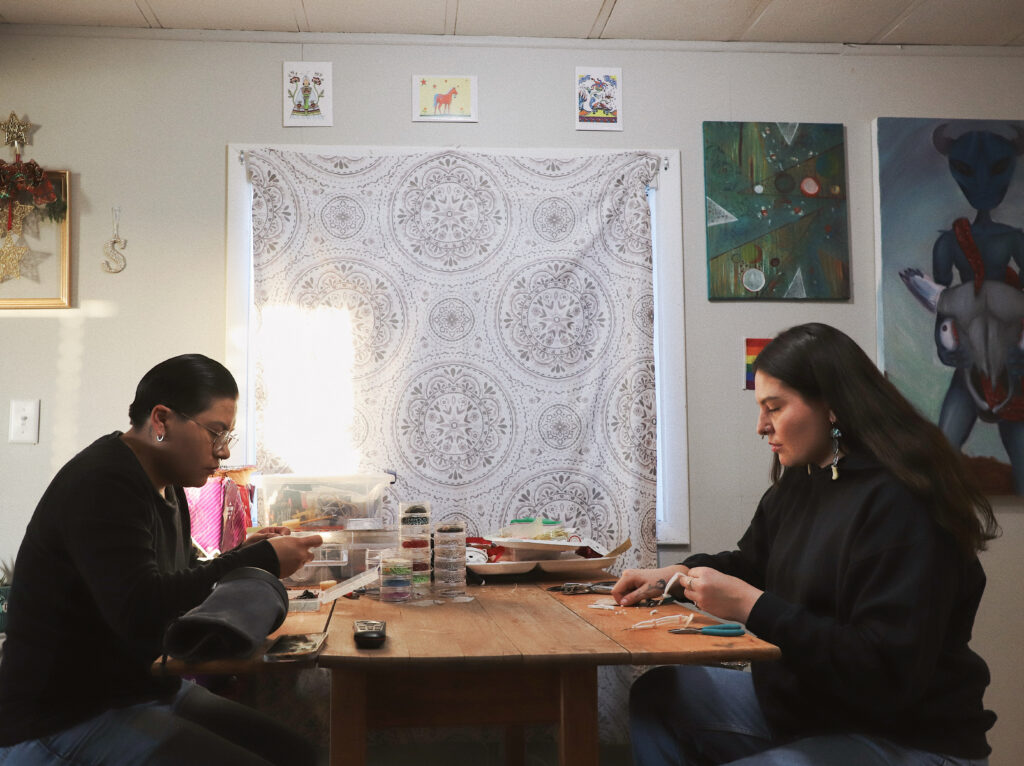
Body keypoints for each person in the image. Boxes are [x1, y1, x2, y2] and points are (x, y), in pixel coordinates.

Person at [614, 323, 999, 766]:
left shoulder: (902, 504)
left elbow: (882, 670)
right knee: (660, 693)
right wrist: (675, 577)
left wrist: (752, 607)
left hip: (908, 736)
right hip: (815, 713)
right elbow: (754, 564)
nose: (761, 426)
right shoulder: (806, 477)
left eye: (774, 408)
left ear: (832, 406)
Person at [0, 354, 324, 765]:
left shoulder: (166, 486)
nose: (223, 452)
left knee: (295, 753)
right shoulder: (102, 482)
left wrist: (242, 553)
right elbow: (141, 609)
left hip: (138, 690)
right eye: (216, 432)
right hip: (63, 717)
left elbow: (178, 578)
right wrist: (263, 560)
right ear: (162, 420)